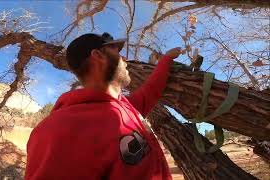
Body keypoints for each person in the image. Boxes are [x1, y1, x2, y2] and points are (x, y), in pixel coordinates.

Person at [25, 32, 182, 180]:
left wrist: (166, 59)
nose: (124, 58)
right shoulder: (57, 129)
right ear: (98, 56)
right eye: (116, 51)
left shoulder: (127, 107)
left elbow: (151, 90)